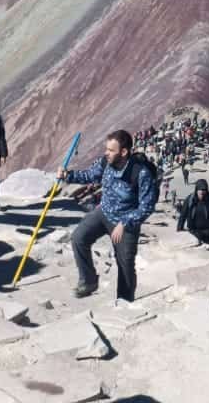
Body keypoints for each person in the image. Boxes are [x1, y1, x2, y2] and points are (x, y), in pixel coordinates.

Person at [59, 129, 158, 301]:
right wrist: (68, 175)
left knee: (125, 264)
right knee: (78, 238)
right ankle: (88, 281)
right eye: (107, 149)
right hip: (103, 212)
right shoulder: (105, 163)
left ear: (124, 152)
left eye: (111, 150)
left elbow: (147, 206)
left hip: (124, 222)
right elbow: (90, 175)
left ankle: (124, 301)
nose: (106, 153)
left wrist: (125, 222)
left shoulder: (141, 173)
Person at [176, 178, 209, 247]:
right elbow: (183, 214)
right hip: (193, 231)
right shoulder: (190, 199)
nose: (202, 192)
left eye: (204, 190)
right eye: (200, 190)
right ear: (196, 190)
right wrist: (179, 228)